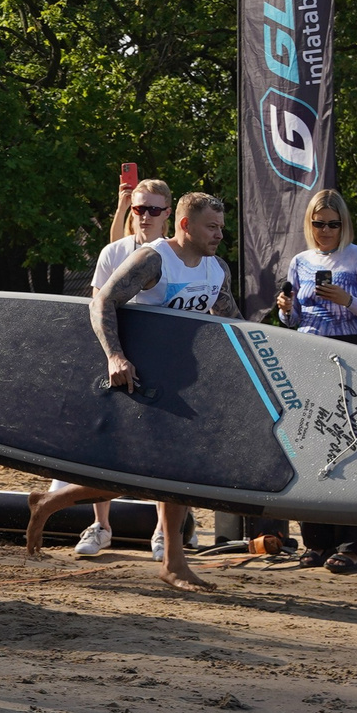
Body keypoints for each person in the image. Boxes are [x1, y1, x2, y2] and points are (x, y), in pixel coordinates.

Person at [83, 191, 240, 591]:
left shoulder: (216, 268)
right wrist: (115, 357)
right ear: (185, 225)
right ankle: (52, 504)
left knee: (177, 470)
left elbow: (234, 324)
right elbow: (102, 301)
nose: (220, 234)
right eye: (212, 226)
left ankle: (173, 560)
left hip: (183, 383)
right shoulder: (154, 259)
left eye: (221, 227)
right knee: (143, 469)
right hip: (138, 380)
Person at [26, 176, 173, 561]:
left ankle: (163, 534)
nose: (145, 216)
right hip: (119, 353)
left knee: (165, 449)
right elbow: (98, 306)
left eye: (154, 209)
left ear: (168, 214)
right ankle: (100, 525)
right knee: (106, 443)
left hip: (164, 358)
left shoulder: (176, 254)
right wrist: (111, 354)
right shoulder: (114, 251)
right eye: (139, 208)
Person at [275, 189, 357, 572]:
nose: (325, 230)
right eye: (318, 223)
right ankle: (316, 541)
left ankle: (353, 543)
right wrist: (287, 310)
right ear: (309, 224)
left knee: (354, 449)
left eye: (333, 223)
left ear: (344, 224)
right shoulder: (300, 261)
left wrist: (347, 300)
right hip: (307, 355)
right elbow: (293, 320)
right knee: (310, 445)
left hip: (353, 354)